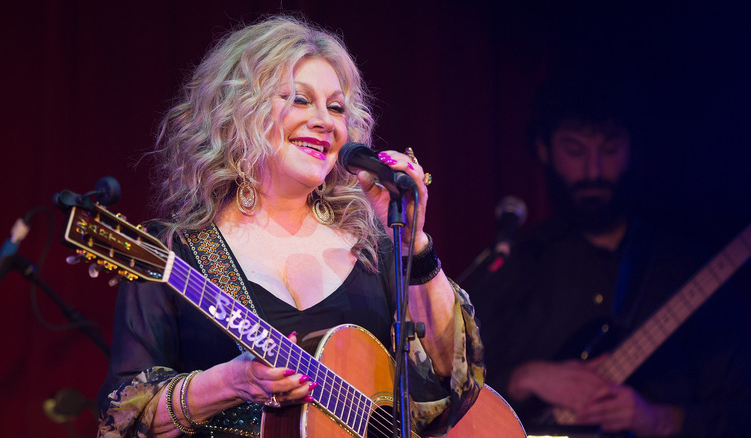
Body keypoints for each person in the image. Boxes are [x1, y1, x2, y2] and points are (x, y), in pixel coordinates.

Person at [96, 15, 484, 438]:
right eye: (300, 100)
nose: (325, 121)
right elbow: (121, 420)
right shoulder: (173, 254)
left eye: (336, 107)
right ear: (240, 112)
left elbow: (457, 385)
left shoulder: (378, 247)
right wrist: (228, 383)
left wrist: (416, 243)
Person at [467, 73, 751, 437]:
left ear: (635, 148)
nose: (593, 171)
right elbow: (451, 392)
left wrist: (660, 419)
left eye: (610, 149)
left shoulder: (687, 268)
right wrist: (525, 378)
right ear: (544, 149)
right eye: (575, 150)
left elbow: (742, 410)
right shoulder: (511, 264)